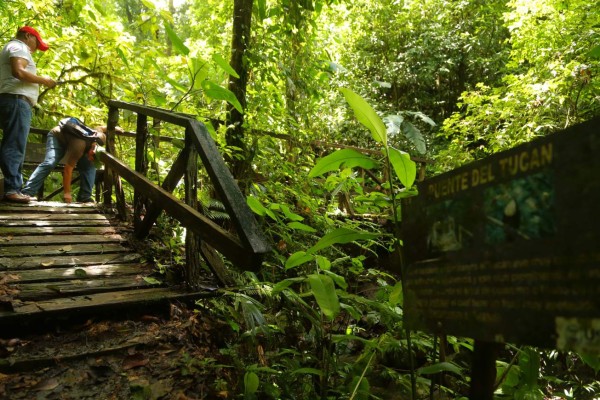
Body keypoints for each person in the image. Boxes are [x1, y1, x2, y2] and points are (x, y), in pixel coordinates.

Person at [0, 26, 57, 203]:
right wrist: (44, 80)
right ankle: (12, 190)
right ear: (27, 36)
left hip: (11, 100)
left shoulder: (12, 47)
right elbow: (18, 71)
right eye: (35, 43)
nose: (34, 49)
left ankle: (11, 188)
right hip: (17, 101)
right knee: (15, 144)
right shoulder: (19, 47)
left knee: (11, 143)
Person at [22, 119, 108, 203]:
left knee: (90, 165)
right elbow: (68, 170)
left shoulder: (101, 138)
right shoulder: (79, 147)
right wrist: (67, 193)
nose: (92, 160)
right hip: (57, 137)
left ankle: (84, 197)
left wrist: (114, 128)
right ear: (92, 152)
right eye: (93, 158)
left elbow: (99, 128)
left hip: (75, 142)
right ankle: (27, 192)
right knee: (50, 162)